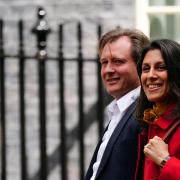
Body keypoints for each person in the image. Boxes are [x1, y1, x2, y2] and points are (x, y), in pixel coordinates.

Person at [85, 28, 149, 180]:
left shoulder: (147, 111)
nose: (108, 70)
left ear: (141, 66)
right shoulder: (119, 109)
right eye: (104, 62)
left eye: (118, 61)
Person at [135, 39, 180, 180]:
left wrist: (165, 160)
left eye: (161, 67)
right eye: (146, 69)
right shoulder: (149, 121)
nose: (151, 75)